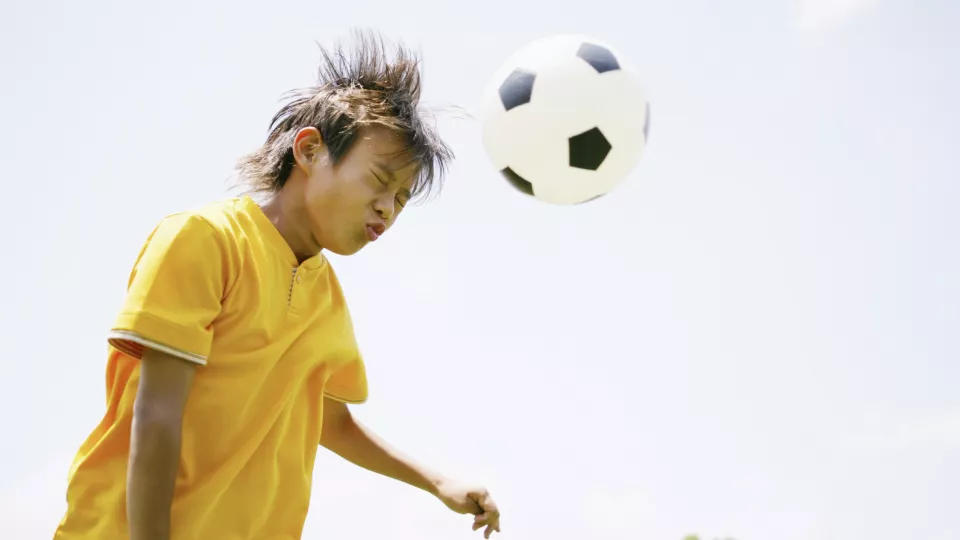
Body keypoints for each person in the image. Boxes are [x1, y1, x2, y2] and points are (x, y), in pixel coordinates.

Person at [52, 30, 501, 540]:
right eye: (379, 181)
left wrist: (439, 482)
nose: (387, 209)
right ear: (309, 150)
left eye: (401, 199)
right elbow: (156, 418)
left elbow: (330, 422)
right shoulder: (205, 240)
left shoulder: (326, 297)